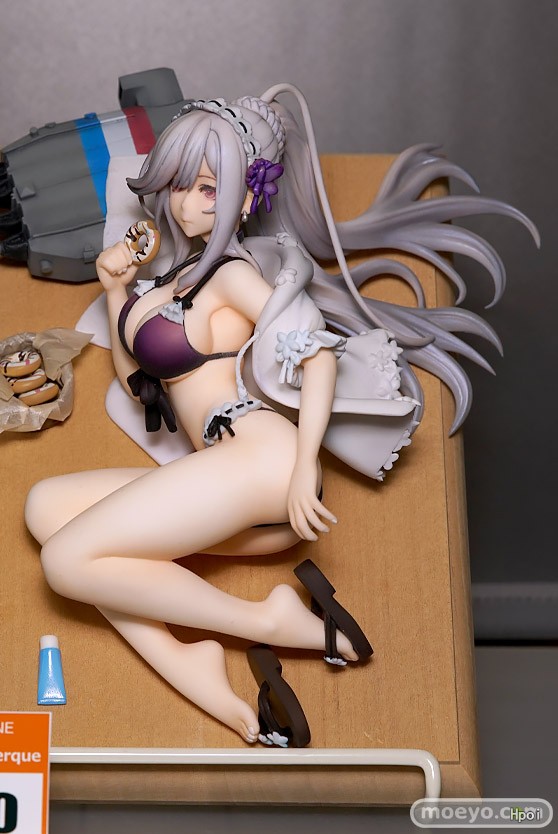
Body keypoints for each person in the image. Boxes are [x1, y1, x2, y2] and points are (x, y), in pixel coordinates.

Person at [24, 84, 537, 744]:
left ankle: (267, 621)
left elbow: (318, 359)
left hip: (261, 462)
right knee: (46, 508)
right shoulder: (176, 280)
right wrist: (117, 287)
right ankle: (184, 659)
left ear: (246, 199)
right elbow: (139, 386)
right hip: (221, 470)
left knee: (66, 563)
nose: (184, 203)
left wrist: (301, 471)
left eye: (208, 189)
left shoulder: (233, 275)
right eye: (178, 184)